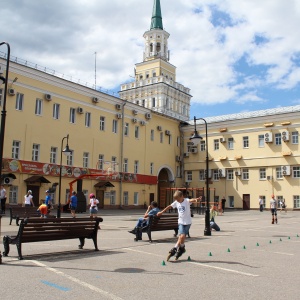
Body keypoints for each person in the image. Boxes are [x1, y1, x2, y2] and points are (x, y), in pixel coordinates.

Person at [157, 190, 201, 261]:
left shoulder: (186, 201)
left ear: (182, 196)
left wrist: (196, 199)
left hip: (188, 222)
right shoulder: (176, 202)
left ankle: (176, 247)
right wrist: (161, 212)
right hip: (180, 222)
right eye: (176, 200)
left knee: (181, 237)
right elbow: (169, 206)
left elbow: (191, 200)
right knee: (182, 236)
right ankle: (182, 248)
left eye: (178, 199)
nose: (177, 201)